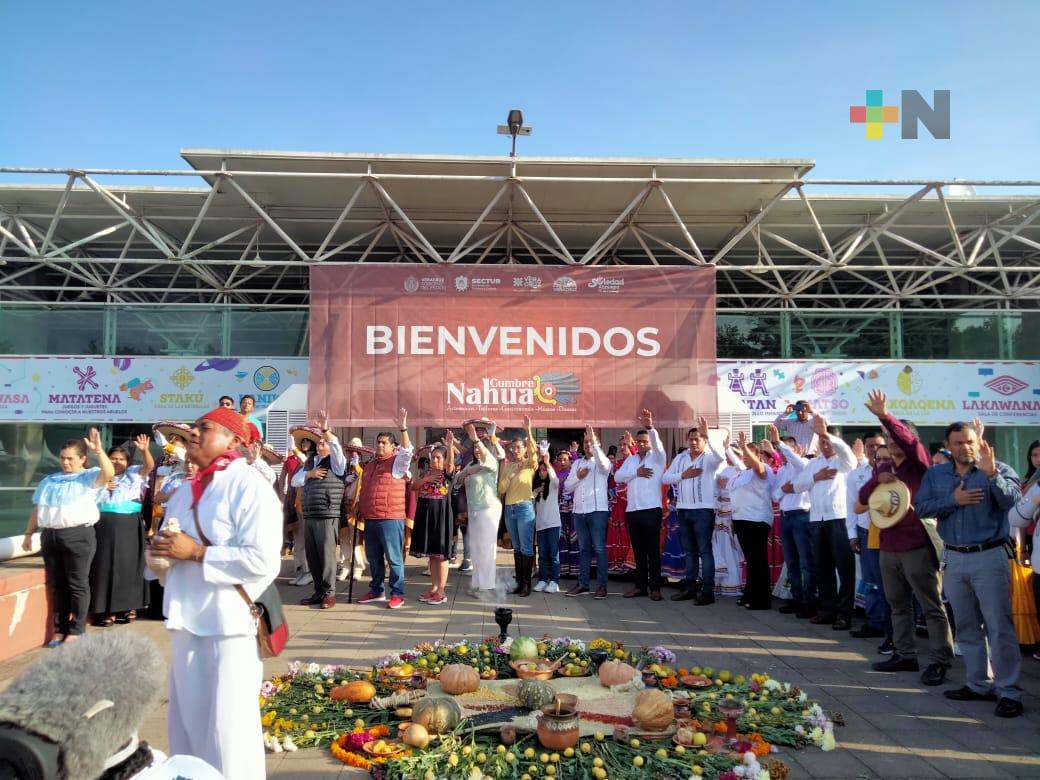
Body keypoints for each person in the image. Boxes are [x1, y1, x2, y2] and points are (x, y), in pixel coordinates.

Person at [149, 406, 282, 777]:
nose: (193, 432)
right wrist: (159, 556)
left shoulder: (250, 486)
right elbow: (163, 559)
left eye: (204, 428)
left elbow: (262, 561)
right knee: (186, 731)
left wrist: (195, 552)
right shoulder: (183, 491)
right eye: (194, 427)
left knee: (229, 734)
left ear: (234, 440)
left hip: (229, 626)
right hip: (185, 621)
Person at [917, 421, 1023, 718]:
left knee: (998, 626)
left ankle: (1009, 691)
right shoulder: (937, 474)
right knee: (965, 625)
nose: (966, 447)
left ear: (979, 441)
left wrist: (992, 475)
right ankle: (978, 684)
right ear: (948, 447)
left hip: (988, 556)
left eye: (970, 441)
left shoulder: (998, 468)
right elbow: (922, 507)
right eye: (959, 443)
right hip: (953, 557)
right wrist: (954, 500)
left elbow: (1013, 502)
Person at [858, 390, 954, 683]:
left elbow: (911, 442)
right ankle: (905, 654)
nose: (891, 442)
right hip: (889, 545)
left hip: (916, 546)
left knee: (930, 605)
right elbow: (863, 498)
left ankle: (940, 659)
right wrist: (879, 478)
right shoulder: (884, 467)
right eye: (888, 439)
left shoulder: (920, 464)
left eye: (894, 438)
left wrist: (885, 415)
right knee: (897, 604)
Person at [22, 429, 114, 646]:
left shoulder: (89, 476)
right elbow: (38, 509)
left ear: (83, 459)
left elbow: (108, 473)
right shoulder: (50, 480)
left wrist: (99, 451)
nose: (65, 462)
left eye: (70, 459)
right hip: (50, 535)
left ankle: (77, 630)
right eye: (62, 458)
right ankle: (59, 628)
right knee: (58, 585)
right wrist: (29, 533)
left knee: (77, 583)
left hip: (77, 535)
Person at [793, 414, 858, 629]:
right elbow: (798, 485)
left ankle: (844, 613)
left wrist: (825, 432)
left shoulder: (844, 462)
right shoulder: (814, 463)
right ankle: (827, 609)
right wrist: (815, 477)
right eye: (821, 441)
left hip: (839, 519)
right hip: (817, 520)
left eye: (828, 440)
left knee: (844, 568)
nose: (825, 444)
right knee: (822, 567)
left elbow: (849, 455)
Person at [90, 435, 155, 626]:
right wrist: (103, 486)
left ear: (127, 461)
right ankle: (107, 609)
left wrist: (144, 450)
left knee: (128, 566)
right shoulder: (97, 475)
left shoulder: (134, 473)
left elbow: (149, 466)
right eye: (113, 458)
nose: (117, 462)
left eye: (121, 459)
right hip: (103, 525)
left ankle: (128, 606)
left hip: (129, 524)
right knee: (105, 566)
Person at [663, 415, 724, 605]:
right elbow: (665, 478)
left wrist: (709, 435)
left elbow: (721, 457)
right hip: (683, 509)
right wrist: (684, 475)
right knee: (689, 551)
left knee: (705, 551)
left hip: (703, 510)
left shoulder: (710, 458)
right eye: (691, 439)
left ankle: (707, 592)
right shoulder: (681, 457)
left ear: (704, 440)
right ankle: (690, 588)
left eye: (698, 439)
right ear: (686, 440)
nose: (694, 442)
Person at [356, 409, 413, 609]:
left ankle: (397, 594)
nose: (380, 445)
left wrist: (403, 428)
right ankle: (377, 590)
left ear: (393, 447)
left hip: (390, 518)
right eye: (378, 442)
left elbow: (408, 452)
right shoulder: (371, 464)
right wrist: (359, 505)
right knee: (373, 557)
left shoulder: (398, 464)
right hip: (371, 517)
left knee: (394, 558)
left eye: (384, 443)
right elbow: (366, 488)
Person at [292, 411, 347, 610]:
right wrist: (310, 475)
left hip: (327, 513)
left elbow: (336, 447)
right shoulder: (310, 462)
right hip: (310, 513)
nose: (321, 444)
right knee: (313, 555)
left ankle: (330, 593)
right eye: (320, 442)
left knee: (327, 555)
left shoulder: (336, 463)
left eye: (323, 442)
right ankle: (319, 591)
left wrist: (326, 430)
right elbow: (294, 480)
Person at [846, 431, 893, 645]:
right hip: (866, 533)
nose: (875, 450)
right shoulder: (856, 475)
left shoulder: (895, 473)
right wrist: (852, 534)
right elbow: (851, 507)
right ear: (864, 448)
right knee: (872, 581)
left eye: (879, 446)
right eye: (871, 446)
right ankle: (875, 622)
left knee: (891, 585)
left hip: (892, 534)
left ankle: (893, 628)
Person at [614, 409, 668, 601]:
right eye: (640, 442)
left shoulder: (657, 457)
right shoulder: (631, 460)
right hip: (633, 511)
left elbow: (659, 446)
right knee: (638, 551)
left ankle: (655, 588)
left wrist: (650, 427)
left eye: (646, 441)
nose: (643, 444)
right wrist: (636, 473)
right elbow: (618, 476)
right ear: (635, 444)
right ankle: (640, 587)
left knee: (652, 551)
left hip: (651, 510)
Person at [769, 427, 815, 618]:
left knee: (806, 562)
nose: (783, 453)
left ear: (796, 449)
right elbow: (775, 493)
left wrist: (779, 442)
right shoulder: (782, 470)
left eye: (786, 449)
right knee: (792, 562)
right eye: (781, 451)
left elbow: (795, 460)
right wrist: (786, 490)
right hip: (787, 517)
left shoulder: (803, 464)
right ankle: (796, 598)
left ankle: (809, 601)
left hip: (802, 516)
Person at [729, 433, 777, 610]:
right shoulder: (743, 473)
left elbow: (758, 467)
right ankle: (750, 593)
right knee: (750, 559)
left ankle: (762, 600)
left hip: (757, 520)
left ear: (757, 456)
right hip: (741, 519)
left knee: (758, 560)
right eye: (744, 455)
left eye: (749, 454)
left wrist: (744, 448)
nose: (745, 458)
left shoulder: (763, 468)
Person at [565, 424, 612, 599]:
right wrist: (579, 476)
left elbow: (606, 468)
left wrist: (594, 444)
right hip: (579, 512)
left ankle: (602, 586)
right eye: (585, 443)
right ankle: (583, 584)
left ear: (597, 445)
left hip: (597, 511)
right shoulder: (577, 463)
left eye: (591, 442)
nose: (587, 445)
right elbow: (568, 486)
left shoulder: (601, 461)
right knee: (583, 549)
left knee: (599, 549)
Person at [411, 434, 458, 605]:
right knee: (432, 555)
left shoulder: (447, 474)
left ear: (445, 461)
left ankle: (442, 590)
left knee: (441, 555)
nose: (434, 460)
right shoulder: (427, 473)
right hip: (426, 514)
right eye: (433, 457)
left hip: (441, 516)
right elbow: (414, 487)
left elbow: (451, 464)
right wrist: (426, 479)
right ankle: (433, 588)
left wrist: (451, 446)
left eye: (438, 458)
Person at [456, 421, 502, 596]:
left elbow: (483, 451)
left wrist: (475, 438)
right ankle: (477, 583)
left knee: (486, 548)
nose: (477, 450)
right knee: (476, 547)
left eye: (479, 448)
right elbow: (458, 480)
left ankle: (487, 586)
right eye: (474, 448)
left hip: (488, 510)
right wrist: (467, 473)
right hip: (473, 510)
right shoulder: (471, 465)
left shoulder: (490, 463)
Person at [497, 415, 539, 596]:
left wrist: (528, 431)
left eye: (518, 447)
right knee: (518, 548)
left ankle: (527, 584)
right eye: (513, 447)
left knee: (527, 548)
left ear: (524, 450)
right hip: (509, 509)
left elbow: (535, 453)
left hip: (524, 508)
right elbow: (501, 489)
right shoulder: (507, 466)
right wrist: (510, 476)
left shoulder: (528, 464)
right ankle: (519, 582)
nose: (515, 450)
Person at [533, 447, 562, 593]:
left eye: (544, 470)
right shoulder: (536, 489)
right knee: (542, 554)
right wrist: (536, 491)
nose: (542, 472)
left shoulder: (552, 485)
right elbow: (529, 499)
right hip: (541, 526)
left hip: (553, 524)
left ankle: (554, 581)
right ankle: (543, 579)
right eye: (540, 470)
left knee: (553, 554)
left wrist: (548, 463)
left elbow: (556, 480)